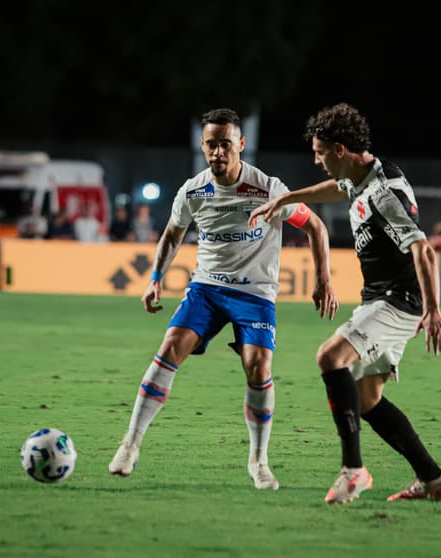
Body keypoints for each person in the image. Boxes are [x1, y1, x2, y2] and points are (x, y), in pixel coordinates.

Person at [108, 108, 339, 490]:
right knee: (169, 347)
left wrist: (324, 281)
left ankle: (259, 461)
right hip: (207, 288)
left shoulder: (267, 188)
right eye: (211, 144)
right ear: (202, 145)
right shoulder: (193, 191)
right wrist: (155, 279)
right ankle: (130, 445)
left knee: (258, 367)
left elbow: (314, 225)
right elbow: (171, 234)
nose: (218, 152)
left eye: (225, 145)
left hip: (254, 294)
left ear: (241, 145)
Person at [249, 102, 441, 504]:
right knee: (366, 399)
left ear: (340, 150)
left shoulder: (383, 193)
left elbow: (424, 250)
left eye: (320, 152)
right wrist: (287, 198)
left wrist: (432, 309)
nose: (317, 159)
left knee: (330, 357)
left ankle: (354, 471)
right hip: (381, 299)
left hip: (398, 301)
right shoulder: (360, 177)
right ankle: (433, 478)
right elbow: (333, 189)